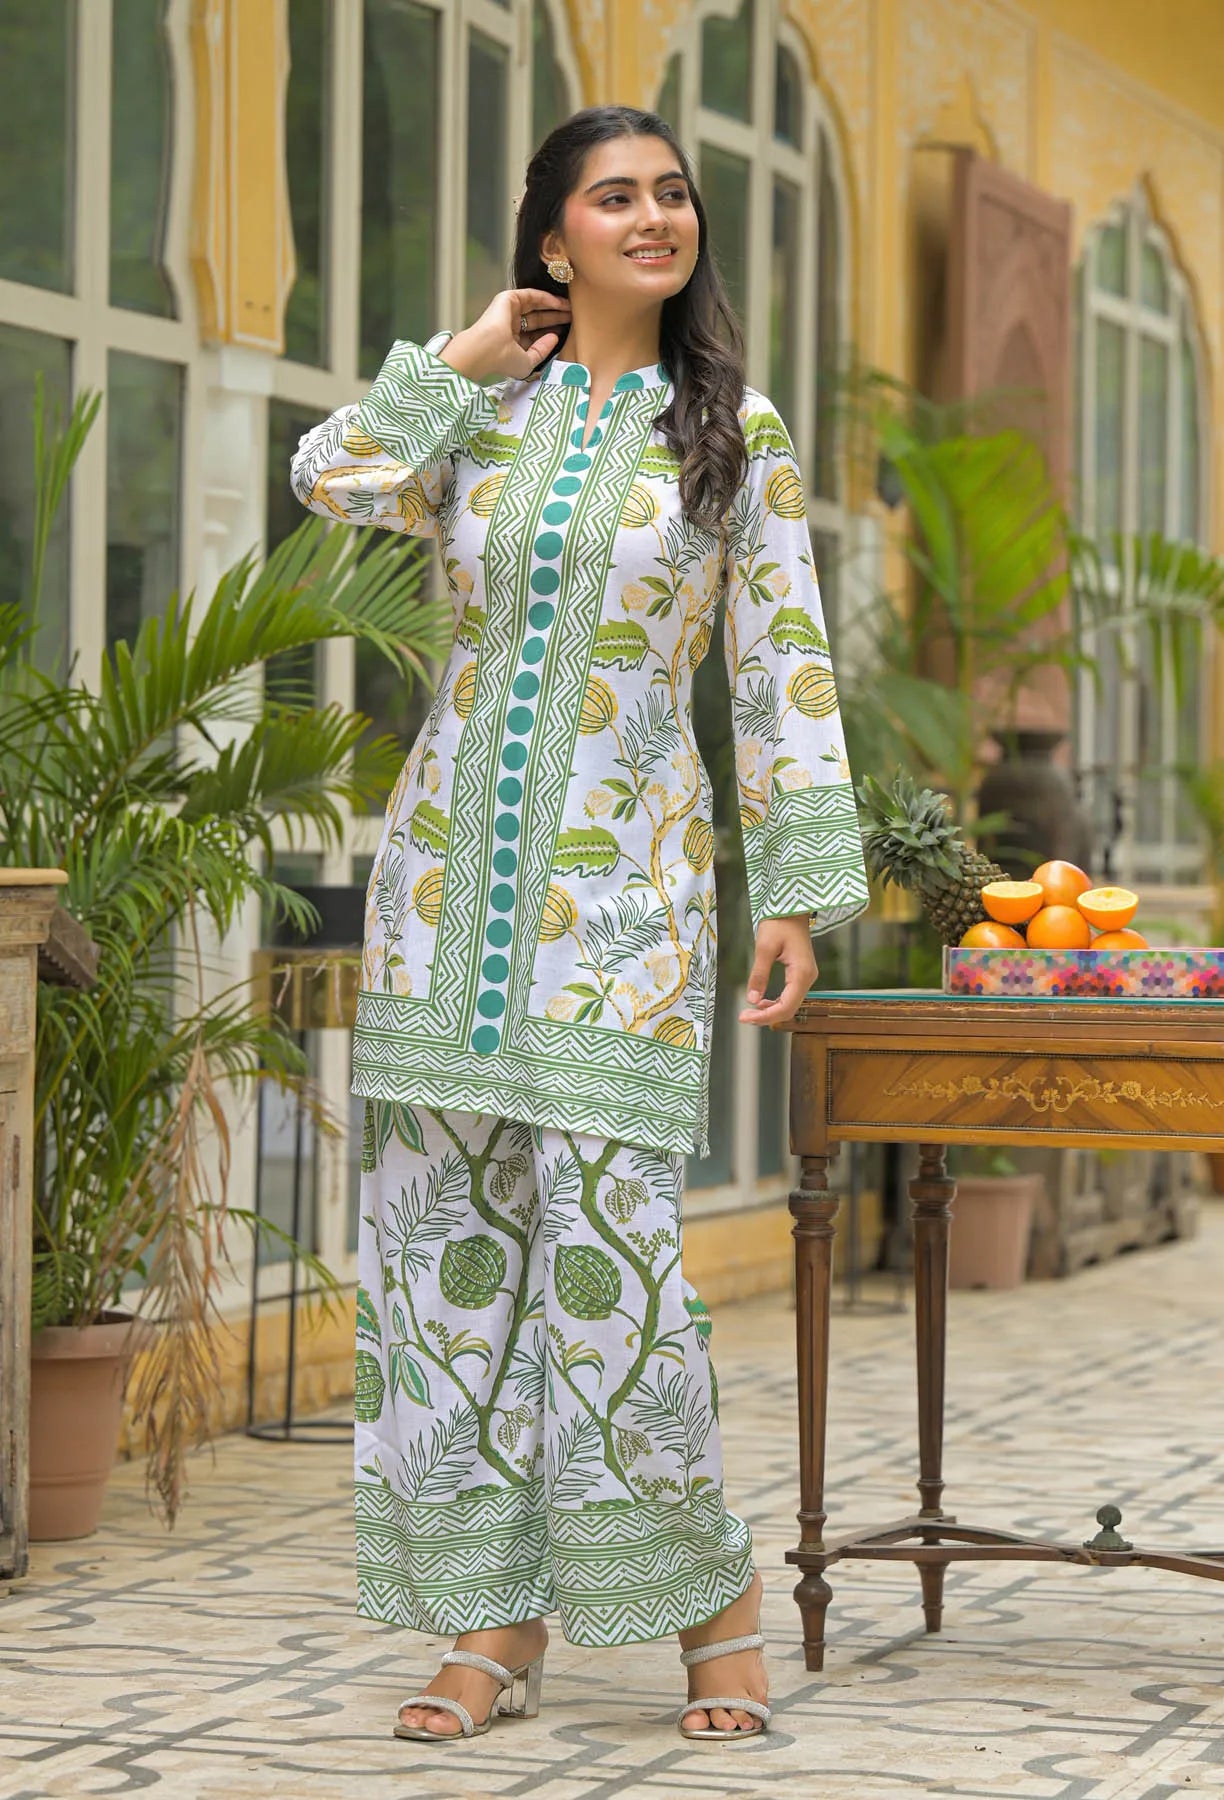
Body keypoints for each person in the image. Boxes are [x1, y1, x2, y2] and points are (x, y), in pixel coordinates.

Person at [290, 103, 868, 1747]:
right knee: (446, 1268)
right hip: (439, 895)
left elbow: (783, 667)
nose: (654, 217)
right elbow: (329, 479)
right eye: (616, 197)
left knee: (612, 1268)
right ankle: (493, 1619)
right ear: (555, 238)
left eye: (674, 193)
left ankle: (711, 1598)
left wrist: (803, 895)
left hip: (630, 906)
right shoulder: (481, 417)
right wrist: (460, 359)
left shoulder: (732, 430)